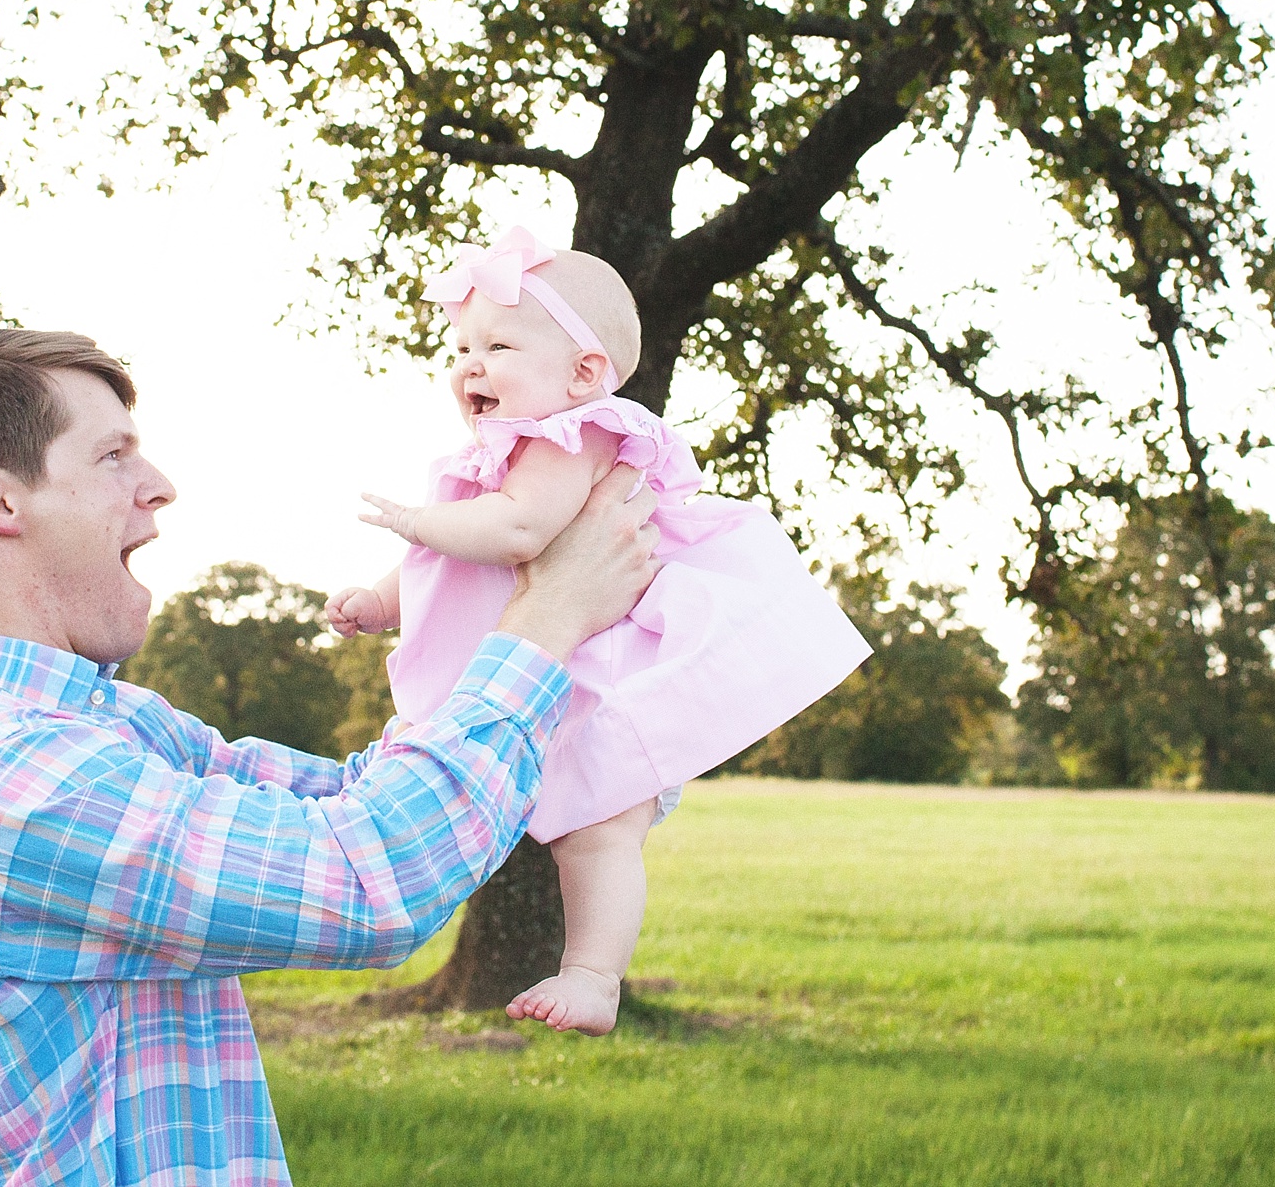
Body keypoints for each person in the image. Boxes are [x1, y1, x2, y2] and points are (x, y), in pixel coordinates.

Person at [0, 323, 660, 1187]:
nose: (158, 486)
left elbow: (358, 800)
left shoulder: (115, 727)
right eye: (113, 456)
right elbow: (366, 882)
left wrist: (546, 627)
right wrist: (547, 619)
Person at [326, 228, 872, 1036]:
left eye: (499, 344)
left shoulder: (571, 439)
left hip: (600, 682)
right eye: (463, 347)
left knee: (599, 837)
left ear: (584, 374)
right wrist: (380, 602)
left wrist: (415, 519)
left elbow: (515, 534)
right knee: (526, 821)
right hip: (543, 678)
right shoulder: (488, 464)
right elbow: (449, 568)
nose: (471, 364)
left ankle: (593, 976)